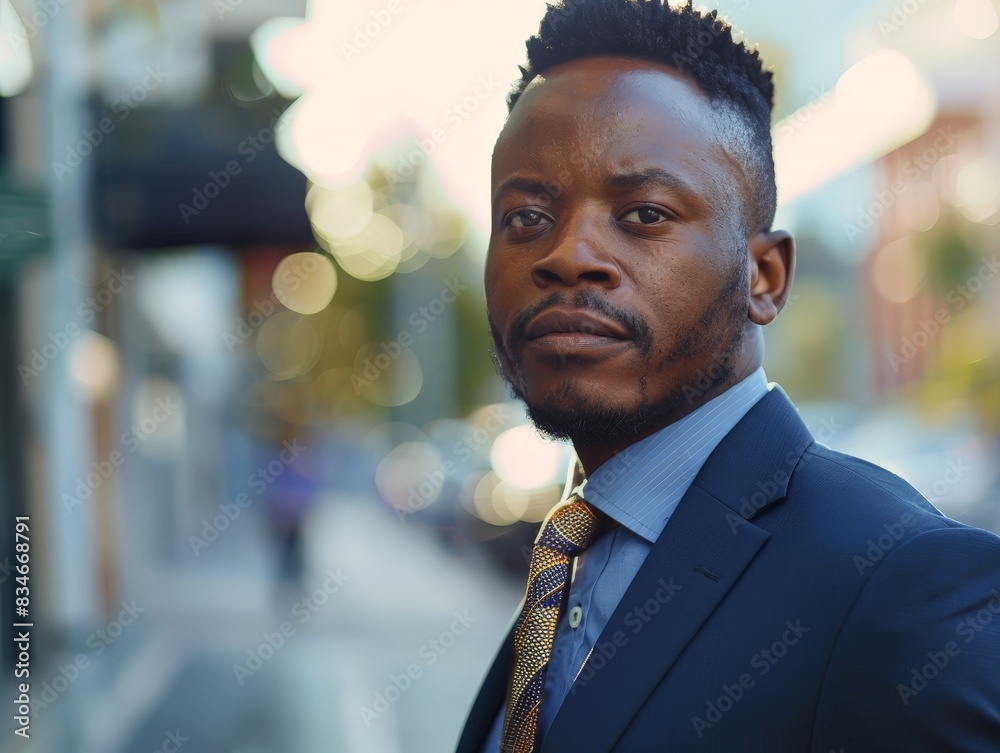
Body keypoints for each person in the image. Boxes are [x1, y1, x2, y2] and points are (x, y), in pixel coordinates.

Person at [455, 1, 1000, 751]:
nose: (569, 253)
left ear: (764, 276)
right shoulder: (567, 558)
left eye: (643, 213)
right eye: (525, 217)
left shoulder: (893, 582)